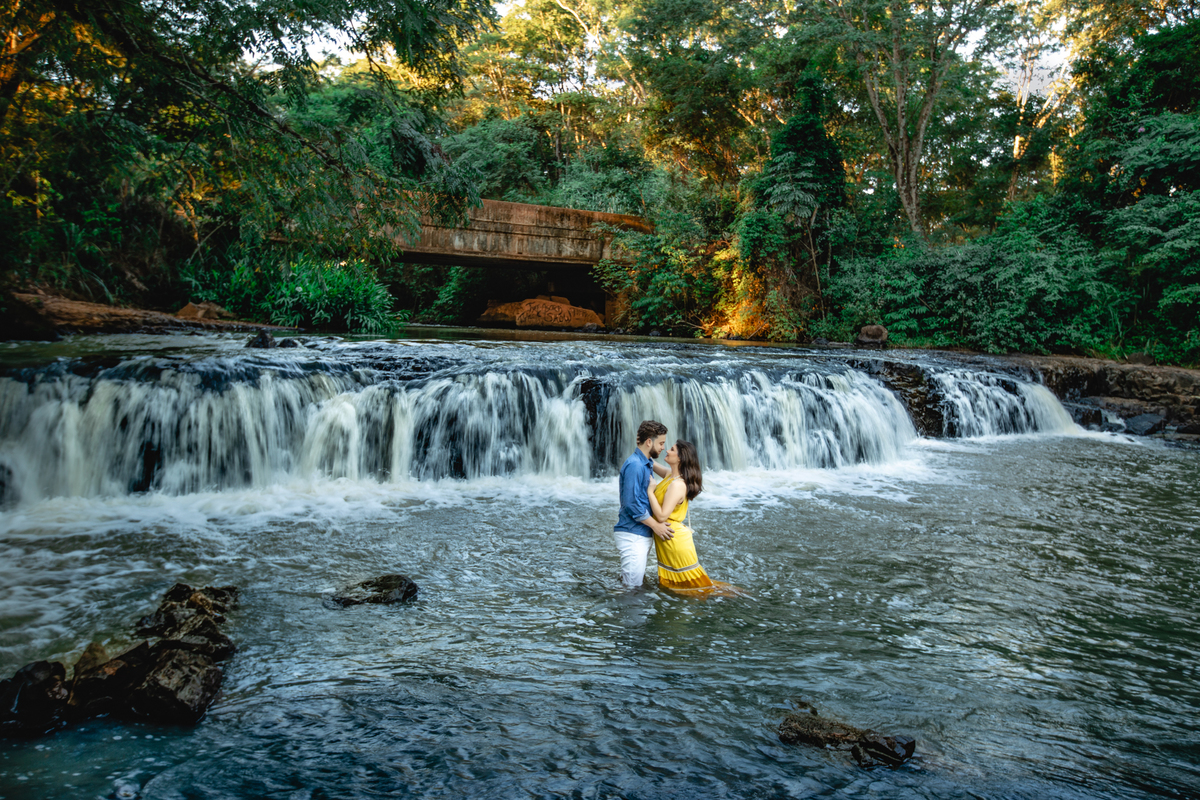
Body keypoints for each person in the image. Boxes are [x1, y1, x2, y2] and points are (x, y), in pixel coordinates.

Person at [647, 440, 742, 597]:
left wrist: (651, 492)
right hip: (668, 537)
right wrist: (644, 451)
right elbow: (651, 463)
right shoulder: (671, 476)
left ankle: (743, 599)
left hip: (673, 539)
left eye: (671, 449)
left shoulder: (678, 485)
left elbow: (662, 516)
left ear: (680, 458)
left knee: (699, 589)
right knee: (694, 589)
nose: (667, 451)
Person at [614, 420, 673, 588]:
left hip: (639, 534)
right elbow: (631, 504)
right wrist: (657, 526)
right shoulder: (635, 465)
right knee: (632, 590)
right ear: (649, 442)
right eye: (661, 443)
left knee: (633, 584)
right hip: (632, 535)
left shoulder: (645, 463)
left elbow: (671, 474)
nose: (663, 448)